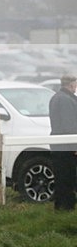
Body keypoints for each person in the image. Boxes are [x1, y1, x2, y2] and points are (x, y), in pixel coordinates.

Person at [48, 74, 77, 211]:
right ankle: (66, 207)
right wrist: (74, 146)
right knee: (66, 177)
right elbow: (69, 125)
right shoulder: (65, 100)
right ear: (71, 84)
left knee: (62, 177)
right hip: (66, 146)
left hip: (59, 145)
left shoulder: (57, 97)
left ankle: (61, 206)